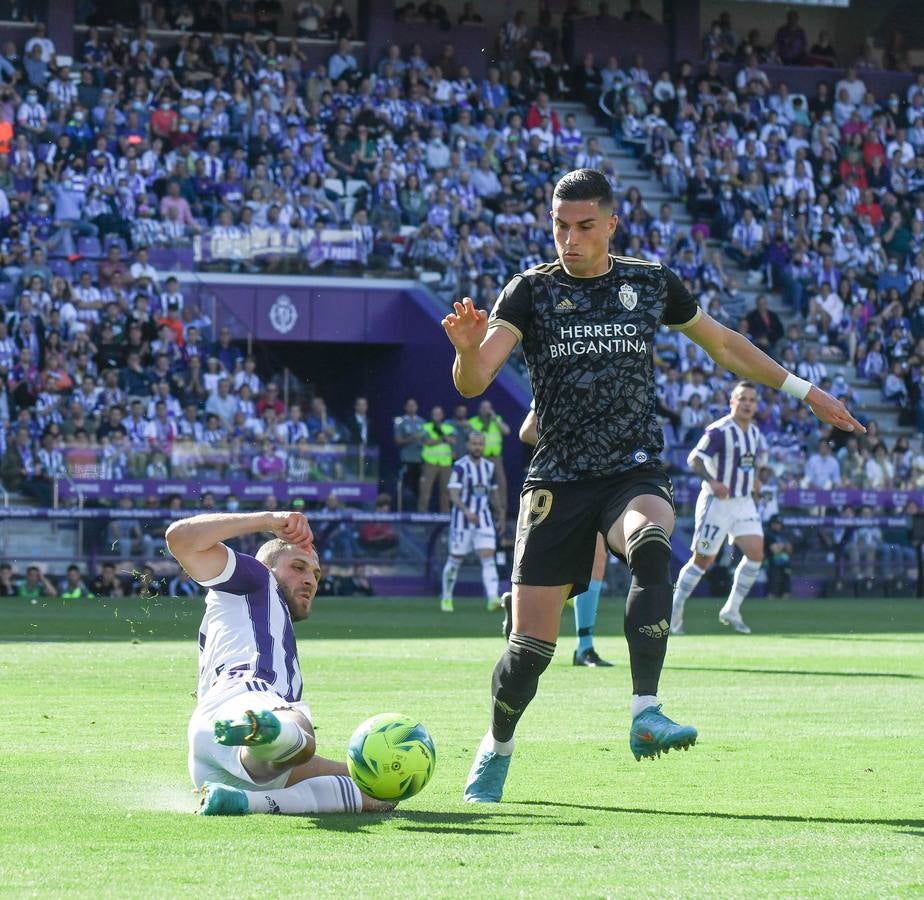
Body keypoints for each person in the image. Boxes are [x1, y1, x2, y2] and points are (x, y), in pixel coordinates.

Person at [441, 168, 862, 802]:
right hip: (557, 477)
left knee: (651, 540)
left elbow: (724, 344)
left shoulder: (649, 282)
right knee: (528, 651)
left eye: (584, 227)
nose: (570, 239)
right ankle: (496, 745)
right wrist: (469, 351)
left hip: (631, 469)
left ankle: (645, 712)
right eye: (560, 226)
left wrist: (805, 391)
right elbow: (473, 382)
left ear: (611, 224)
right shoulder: (529, 292)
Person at [165, 509, 393, 816]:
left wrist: (377, 776)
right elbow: (179, 539)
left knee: (380, 793)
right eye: (298, 567)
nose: (310, 580)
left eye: (315, 574)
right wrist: (269, 521)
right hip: (241, 696)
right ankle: (262, 728)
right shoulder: (254, 579)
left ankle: (242, 799)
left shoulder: (267, 625)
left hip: (220, 757)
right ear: (265, 566)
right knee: (299, 728)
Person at [503, 405, 613, 666]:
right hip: (556, 484)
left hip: (594, 485)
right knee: (548, 568)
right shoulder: (559, 378)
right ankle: (522, 614)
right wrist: (571, 444)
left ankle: (585, 647)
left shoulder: (609, 385)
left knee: (597, 559)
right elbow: (527, 431)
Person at [670, 381, 768, 635]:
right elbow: (694, 458)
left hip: (744, 502)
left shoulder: (755, 433)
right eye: (742, 398)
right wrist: (712, 481)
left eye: (752, 400)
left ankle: (732, 609)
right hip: (717, 504)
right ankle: (674, 608)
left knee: (756, 552)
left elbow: (757, 463)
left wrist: (757, 478)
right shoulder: (719, 430)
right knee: (703, 560)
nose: (747, 403)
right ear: (731, 402)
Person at [441, 432, 504, 613]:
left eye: (480, 444)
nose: (477, 447)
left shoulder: (489, 467)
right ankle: (446, 597)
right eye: (474, 444)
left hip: (483, 519)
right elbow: (452, 493)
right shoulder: (460, 467)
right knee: (455, 560)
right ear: (468, 445)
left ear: (484, 446)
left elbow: (493, 492)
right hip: (462, 520)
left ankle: (492, 597)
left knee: (488, 558)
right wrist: (466, 511)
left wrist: (499, 513)